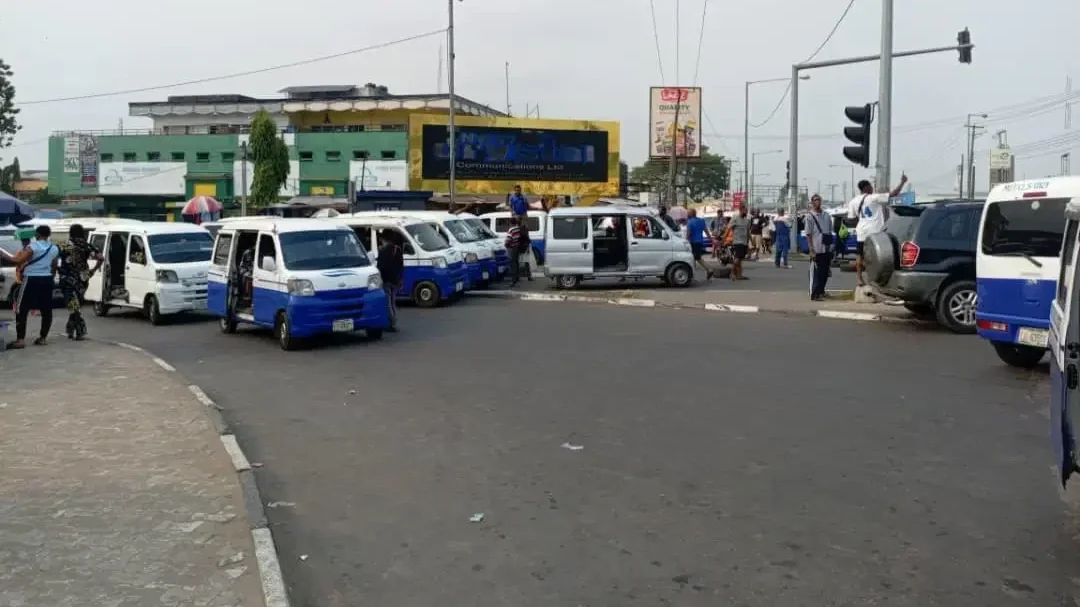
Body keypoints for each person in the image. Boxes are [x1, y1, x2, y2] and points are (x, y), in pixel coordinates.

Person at [847, 173, 908, 286]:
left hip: (861, 232)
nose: (872, 188)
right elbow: (893, 194)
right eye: (870, 186)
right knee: (876, 256)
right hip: (874, 232)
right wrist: (902, 182)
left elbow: (851, 218)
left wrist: (862, 222)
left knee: (859, 256)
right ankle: (873, 279)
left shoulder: (853, 201)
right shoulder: (873, 198)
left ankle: (859, 279)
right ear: (866, 188)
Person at [7, 225, 60, 348]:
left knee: (21, 308)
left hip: (31, 279)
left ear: (37, 235)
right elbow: (54, 266)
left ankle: (20, 340)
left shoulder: (33, 247)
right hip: (47, 279)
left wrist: (4, 256)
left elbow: (18, 260)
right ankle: (43, 338)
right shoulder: (54, 248)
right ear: (48, 235)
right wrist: (49, 278)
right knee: (46, 309)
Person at [57, 223, 104, 340]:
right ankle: (71, 329)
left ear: (71, 233)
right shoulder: (87, 245)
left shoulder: (65, 244)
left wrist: (56, 269)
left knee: (73, 305)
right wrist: (92, 271)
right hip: (83, 278)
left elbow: (53, 257)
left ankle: (79, 330)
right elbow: (101, 258)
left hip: (67, 278)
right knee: (76, 304)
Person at [805, 194, 833, 301]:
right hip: (816, 248)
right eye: (815, 200)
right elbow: (808, 234)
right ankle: (814, 293)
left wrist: (830, 246)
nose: (817, 202)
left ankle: (821, 291)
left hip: (826, 248)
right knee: (815, 272)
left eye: (819, 200)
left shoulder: (826, 215)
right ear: (812, 202)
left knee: (825, 272)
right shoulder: (810, 217)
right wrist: (811, 249)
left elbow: (829, 231)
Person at [376, 230, 404, 332]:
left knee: (387, 302)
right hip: (395, 279)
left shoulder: (383, 251)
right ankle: (392, 320)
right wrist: (400, 279)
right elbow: (401, 266)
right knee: (392, 301)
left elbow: (381, 267)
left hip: (386, 279)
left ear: (384, 239)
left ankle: (390, 322)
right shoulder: (397, 249)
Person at [684, 209, 714, 281]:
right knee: (694, 258)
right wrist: (711, 240)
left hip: (693, 242)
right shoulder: (701, 221)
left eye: (688, 213)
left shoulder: (690, 222)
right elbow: (706, 231)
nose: (687, 214)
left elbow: (688, 234)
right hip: (700, 242)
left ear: (691, 214)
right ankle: (692, 276)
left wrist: (686, 242)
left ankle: (709, 269)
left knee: (697, 258)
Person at [726, 204, 751, 280]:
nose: (746, 212)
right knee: (737, 258)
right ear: (740, 210)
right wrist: (723, 240)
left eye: (747, 211)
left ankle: (739, 275)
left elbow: (747, 232)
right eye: (745, 211)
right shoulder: (735, 218)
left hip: (744, 242)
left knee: (740, 259)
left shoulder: (747, 220)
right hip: (737, 241)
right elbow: (728, 229)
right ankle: (732, 273)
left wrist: (749, 242)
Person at [505, 216, 525, 286]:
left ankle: (513, 281)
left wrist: (506, 245)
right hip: (518, 247)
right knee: (516, 262)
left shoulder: (511, 230)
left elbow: (508, 239)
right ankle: (517, 277)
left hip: (512, 247)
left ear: (510, 223)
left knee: (512, 263)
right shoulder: (518, 228)